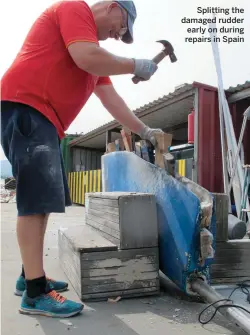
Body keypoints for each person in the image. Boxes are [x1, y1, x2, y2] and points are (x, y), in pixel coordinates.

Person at [0, 0, 163, 318]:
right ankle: (35, 295)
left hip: (45, 120)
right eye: (123, 28)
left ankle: (29, 276)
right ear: (115, 8)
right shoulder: (76, 11)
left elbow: (111, 99)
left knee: (44, 200)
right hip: (27, 107)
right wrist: (134, 64)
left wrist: (145, 130)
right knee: (34, 203)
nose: (118, 35)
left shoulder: (95, 60)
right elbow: (86, 55)